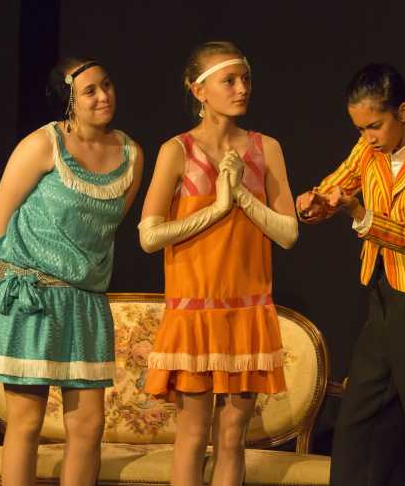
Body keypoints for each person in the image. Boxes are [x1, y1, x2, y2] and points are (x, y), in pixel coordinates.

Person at [0, 58, 144, 486]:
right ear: (69, 100)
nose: (103, 96)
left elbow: (105, 230)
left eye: (107, 85)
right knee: (27, 422)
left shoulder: (131, 155)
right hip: (32, 297)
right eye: (90, 91)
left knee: (88, 425)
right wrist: (15, 280)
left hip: (84, 302)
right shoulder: (43, 144)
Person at [297, 63, 405, 486]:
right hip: (385, 295)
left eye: (374, 126)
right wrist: (314, 202)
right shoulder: (369, 149)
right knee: (359, 422)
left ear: (403, 112)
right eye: (360, 129)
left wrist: (360, 213)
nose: (368, 137)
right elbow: (337, 184)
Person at [140, 41, 297, 486]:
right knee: (192, 436)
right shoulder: (177, 150)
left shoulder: (266, 148)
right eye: (229, 80)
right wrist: (217, 207)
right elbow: (149, 236)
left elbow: (288, 233)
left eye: (245, 79)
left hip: (246, 311)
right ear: (199, 90)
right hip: (195, 312)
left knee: (232, 437)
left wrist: (242, 195)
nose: (242, 88)